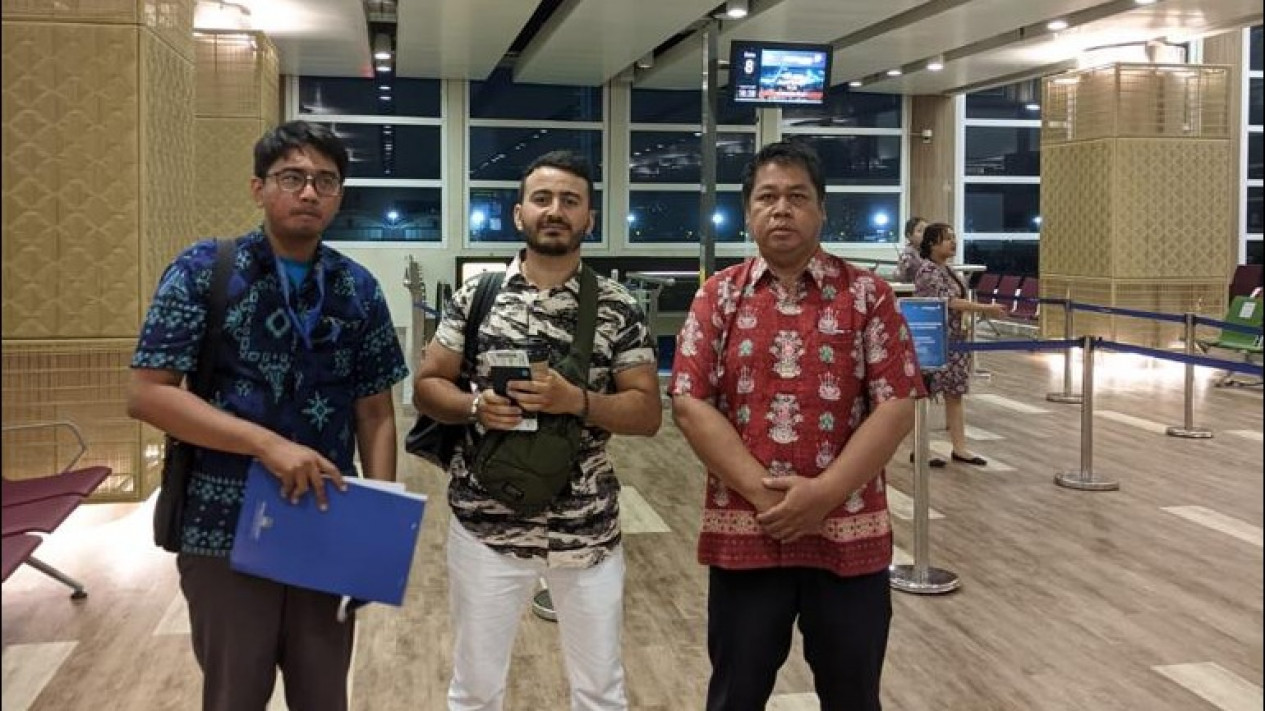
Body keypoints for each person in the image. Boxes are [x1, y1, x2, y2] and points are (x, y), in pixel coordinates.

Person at [126, 121, 409, 711]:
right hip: (224, 523)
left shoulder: (357, 289)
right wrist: (266, 444)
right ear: (258, 188)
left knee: (324, 694)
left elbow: (376, 413)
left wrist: (374, 524)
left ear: (339, 196)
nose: (309, 192)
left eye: (325, 181)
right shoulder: (204, 270)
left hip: (327, 518)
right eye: (292, 178)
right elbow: (150, 395)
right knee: (235, 694)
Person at [670, 140, 925, 711]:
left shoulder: (869, 296)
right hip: (747, 533)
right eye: (767, 197)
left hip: (848, 537)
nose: (781, 209)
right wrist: (767, 496)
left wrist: (824, 495)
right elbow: (689, 402)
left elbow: (896, 404)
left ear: (822, 210)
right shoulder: (718, 296)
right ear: (748, 212)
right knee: (735, 696)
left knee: (853, 696)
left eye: (797, 197)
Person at [412, 150, 662, 711]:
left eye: (570, 201)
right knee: (475, 690)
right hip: (486, 526)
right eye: (542, 198)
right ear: (518, 212)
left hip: (586, 530)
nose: (555, 211)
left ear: (589, 218)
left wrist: (578, 401)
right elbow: (427, 386)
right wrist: (475, 406)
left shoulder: (617, 307)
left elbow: (647, 413)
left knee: (600, 691)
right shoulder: (476, 298)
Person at [913, 222, 1008, 466]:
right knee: (925, 394)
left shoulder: (948, 269)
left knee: (954, 394)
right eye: (947, 238)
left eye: (954, 238)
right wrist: (985, 308)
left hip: (955, 340)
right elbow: (949, 302)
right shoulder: (927, 271)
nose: (953, 242)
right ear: (932, 243)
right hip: (935, 340)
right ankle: (920, 448)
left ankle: (960, 447)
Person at [894, 215, 927, 283]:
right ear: (909, 236)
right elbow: (899, 277)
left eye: (927, 231)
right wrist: (900, 271)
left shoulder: (929, 251)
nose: (925, 234)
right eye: (920, 231)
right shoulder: (907, 255)